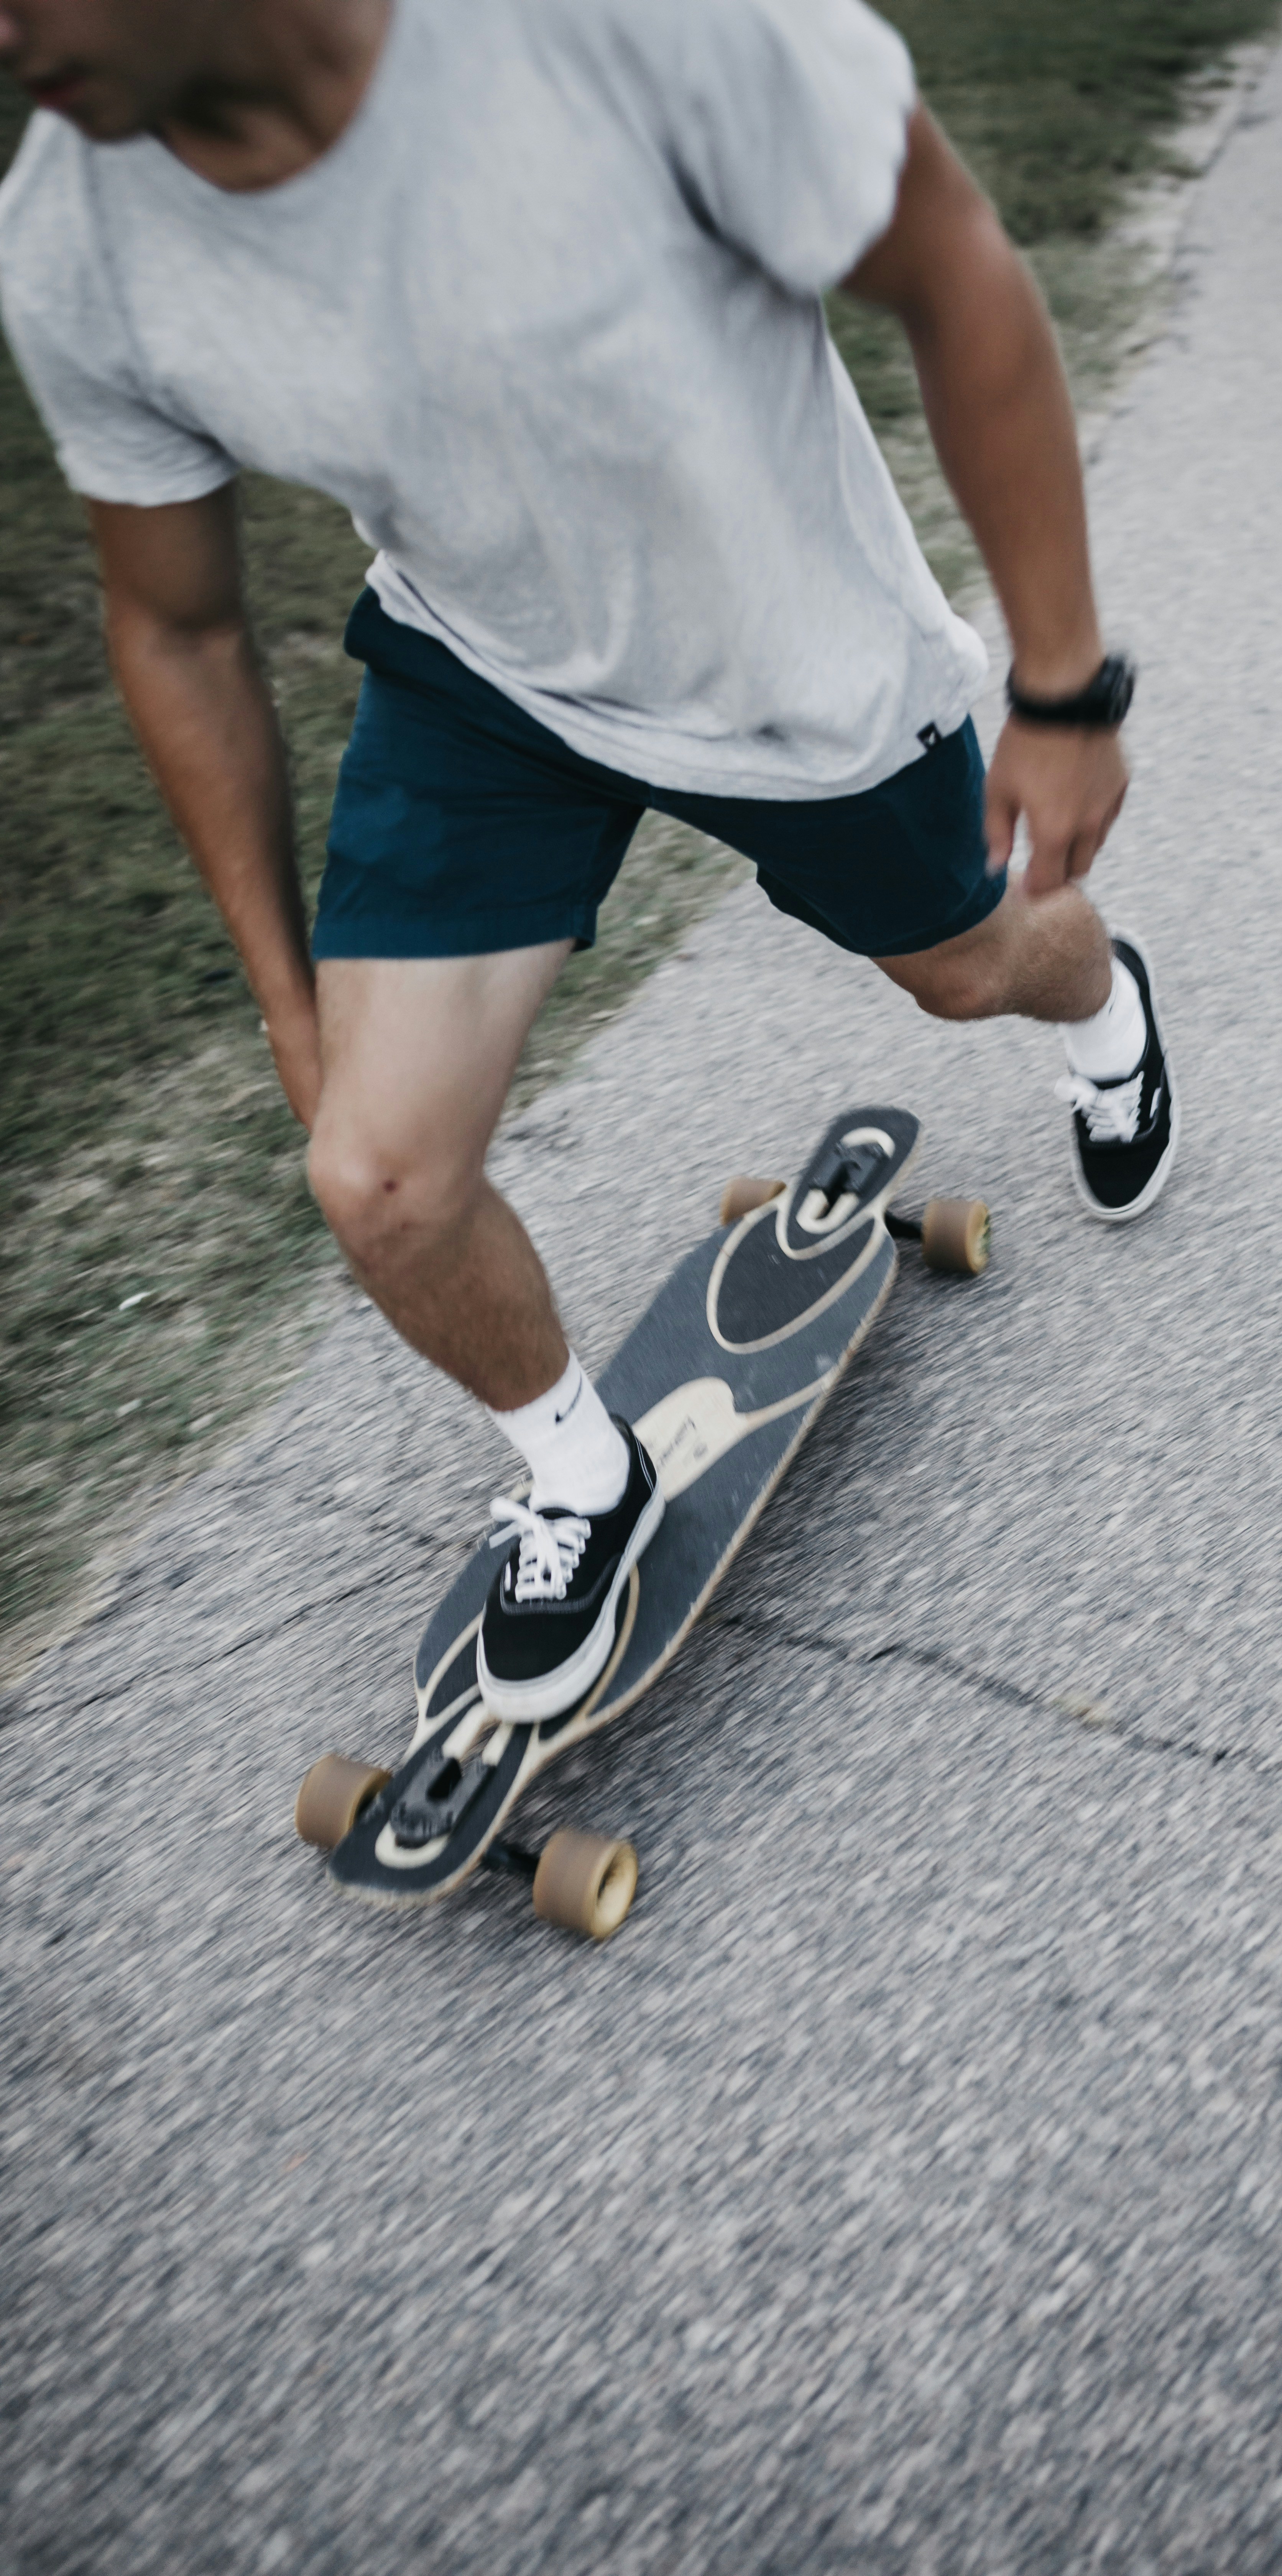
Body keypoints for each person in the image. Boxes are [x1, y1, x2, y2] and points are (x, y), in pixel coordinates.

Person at [0, 0, 1178, 1720]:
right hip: (487, 678)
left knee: (969, 969)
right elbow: (173, 626)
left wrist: (1065, 687)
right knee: (374, 1176)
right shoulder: (72, 242)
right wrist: (281, 993)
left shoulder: (618, 32)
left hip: (793, 675)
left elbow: (955, 269)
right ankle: (577, 1476)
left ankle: (1105, 1009)